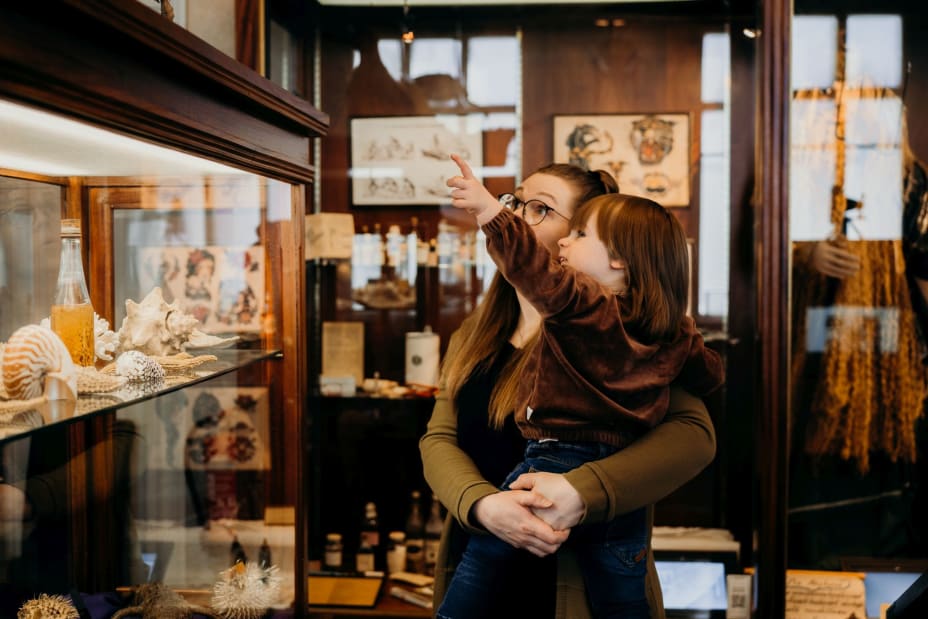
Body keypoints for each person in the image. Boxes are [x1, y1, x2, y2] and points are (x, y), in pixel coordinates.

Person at [420, 159, 719, 619]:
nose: (517, 216)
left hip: (573, 584)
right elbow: (439, 439)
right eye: (514, 201)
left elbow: (694, 438)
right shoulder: (473, 334)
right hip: (481, 561)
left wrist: (582, 492)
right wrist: (482, 505)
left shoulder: (619, 334)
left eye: (538, 208)